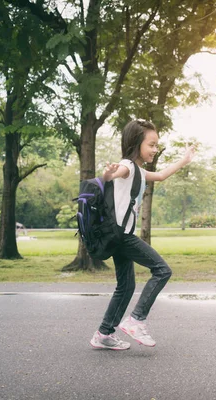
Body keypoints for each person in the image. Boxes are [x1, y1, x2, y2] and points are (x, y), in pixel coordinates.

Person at [90, 119, 195, 351]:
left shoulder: (138, 170)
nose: (155, 150)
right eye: (151, 145)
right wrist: (108, 174)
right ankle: (136, 320)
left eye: (157, 145)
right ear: (136, 142)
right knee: (162, 270)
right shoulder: (127, 166)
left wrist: (184, 160)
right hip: (123, 236)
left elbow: (161, 175)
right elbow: (115, 173)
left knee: (126, 287)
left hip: (118, 236)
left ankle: (104, 333)